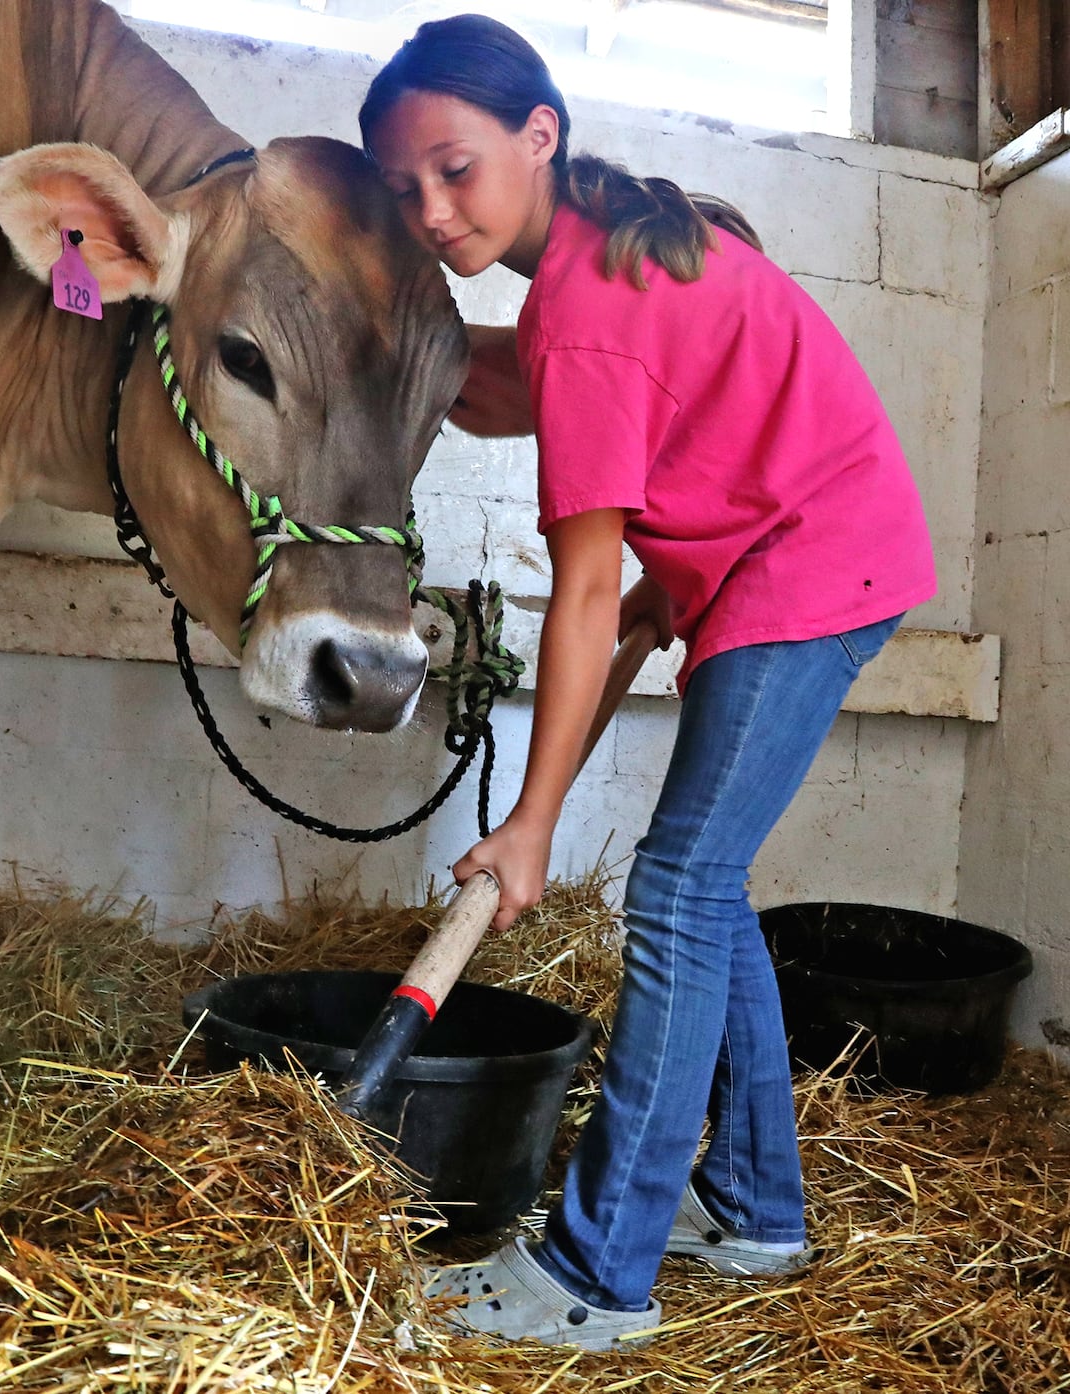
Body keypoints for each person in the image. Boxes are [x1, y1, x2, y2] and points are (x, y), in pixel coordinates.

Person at [359, 15, 937, 1353]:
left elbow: (574, 591)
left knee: (676, 887)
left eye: (454, 169)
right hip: (795, 559)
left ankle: (596, 1270)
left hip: (808, 570)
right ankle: (751, 1201)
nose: (434, 210)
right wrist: (406, 347)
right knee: (709, 882)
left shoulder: (587, 313)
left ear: (538, 136)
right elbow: (498, 391)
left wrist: (529, 826)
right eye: (405, 191)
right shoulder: (590, 266)